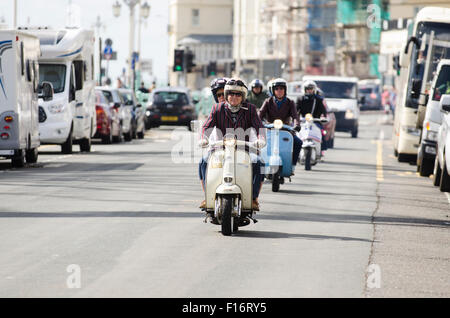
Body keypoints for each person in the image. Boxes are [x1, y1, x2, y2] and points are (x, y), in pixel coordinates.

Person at [198, 78, 266, 211]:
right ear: (226, 95)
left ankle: (253, 198)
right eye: (230, 93)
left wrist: (261, 139)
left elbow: (260, 127)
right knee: (203, 161)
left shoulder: (250, 109)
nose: (234, 97)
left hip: (244, 150)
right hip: (220, 149)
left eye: (238, 94)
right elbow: (207, 126)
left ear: (243, 96)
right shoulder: (217, 108)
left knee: (259, 162)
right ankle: (207, 196)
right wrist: (204, 138)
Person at [259, 78, 302, 168]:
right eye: (276, 89)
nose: (279, 91)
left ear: (285, 90)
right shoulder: (267, 102)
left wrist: (297, 125)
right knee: (257, 143)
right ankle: (260, 166)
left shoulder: (290, 102)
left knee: (298, 142)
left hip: (286, 130)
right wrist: (257, 124)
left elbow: (295, 116)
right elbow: (259, 115)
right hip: (269, 130)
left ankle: (292, 165)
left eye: (281, 88)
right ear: (273, 90)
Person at [296, 80, 328, 155]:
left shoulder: (318, 99)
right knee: (294, 132)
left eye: (311, 89)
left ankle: (321, 150)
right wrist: (296, 118)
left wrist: (323, 117)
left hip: (315, 121)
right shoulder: (300, 98)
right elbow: (296, 110)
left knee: (322, 131)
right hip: (303, 121)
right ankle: (295, 150)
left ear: (314, 89)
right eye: (308, 89)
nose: (309, 90)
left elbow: (323, 111)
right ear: (304, 89)